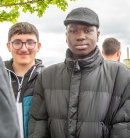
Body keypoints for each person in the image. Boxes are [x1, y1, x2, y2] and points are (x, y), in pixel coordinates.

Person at [28, 7, 130, 138]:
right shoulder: (47, 76)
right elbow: (38, 123)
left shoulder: (121, 75)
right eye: (73, 31)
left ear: (97, 35)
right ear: (66, 36)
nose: (81, 36)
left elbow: (125, 126)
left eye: (88, 31)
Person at [5, 22, 44, 138]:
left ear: (38, 46)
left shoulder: (48, 79)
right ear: (9, 46)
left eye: (30, 42)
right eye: (17, 42)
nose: (24, 48)